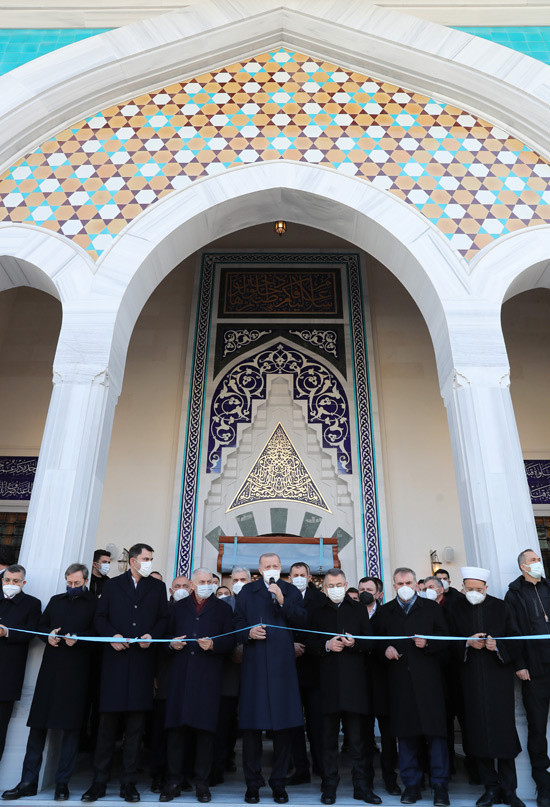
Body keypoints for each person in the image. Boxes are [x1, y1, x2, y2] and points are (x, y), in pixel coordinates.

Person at [81, 543, 169, 804]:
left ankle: (128, 783)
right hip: (115, 663)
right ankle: (98, 782)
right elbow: (100, 616)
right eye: (145, 558)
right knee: (107, 728)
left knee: (135, 729)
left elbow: (164, 618)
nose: (149, 562)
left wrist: (152, 636)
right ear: (132, 560)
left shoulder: (157, 587)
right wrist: (111, 636)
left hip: (142, 664)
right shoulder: (112, 585)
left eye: (151, 558)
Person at [2, 564, 96, 803]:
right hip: (50, 669)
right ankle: (28, 781)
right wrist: (49, 635)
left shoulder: (94, 603)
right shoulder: (56, 600)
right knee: (38, 728)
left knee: (70, 730)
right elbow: (41, 626)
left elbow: (98, 632)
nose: (72, 587)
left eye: (77, 583)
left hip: (76, 672)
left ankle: (62, 783)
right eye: (69, 583)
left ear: (85, 581)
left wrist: (80, 641)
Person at [234, 552, 307, 804]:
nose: (272, 569)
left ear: (281, 568)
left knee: (284, 727)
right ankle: (252, 784)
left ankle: (278, 783)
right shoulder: (247, 591)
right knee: (252, 729)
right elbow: (237, 623)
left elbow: (301, 619)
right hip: (254, 666)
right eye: (267, 566)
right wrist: (248, 633)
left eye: (276, 565)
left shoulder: (289, 590)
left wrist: (282, 599)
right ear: (259, 569)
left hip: (282, 667)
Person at [448, 566, 524, 807]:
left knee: (503, 734)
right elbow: (447, 642)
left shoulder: (501, 607)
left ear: (486, 589)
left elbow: (516, 638)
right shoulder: (454, 608)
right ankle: (490, 788)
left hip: (497, 680)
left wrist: (496, 646)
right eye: (469, 589)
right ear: (463, 587)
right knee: (477, 733)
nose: (473, 593)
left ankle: (509, 790)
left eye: (478, 589)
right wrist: (467, 645)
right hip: (469, 680)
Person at [375, 567, 450, 807]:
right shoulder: (386, 612)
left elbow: (446, 639)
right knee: (406, 737)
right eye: (399, 583)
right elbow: (375, 642)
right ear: (394, 586)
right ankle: (412, 785)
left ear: (416, 584)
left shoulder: (430, 608)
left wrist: (428, 644)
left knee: (436, 736)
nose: (404, 586)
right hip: (400, 683)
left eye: (408, 581)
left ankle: (440, 786)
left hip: (429, 682)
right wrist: (384, 649)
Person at [160, 567, 234, 803]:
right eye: (201, 581)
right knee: (176, 732)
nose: (206, 585)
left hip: (207, 679)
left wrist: (213, 645)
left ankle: (202, 782)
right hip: (181, 677)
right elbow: (165, 638)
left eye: (209, 582)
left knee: (205, 733)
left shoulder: (223, 609)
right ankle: (173, 781)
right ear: (192, 584)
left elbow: (230, 640)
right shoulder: (178, 608)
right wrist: (172, 645)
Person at [307, 568, 380, 806]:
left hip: (354, 685)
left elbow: (370, 643)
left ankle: (362, 787)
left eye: (339, 584)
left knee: (358, 742)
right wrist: (326, 645)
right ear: (324, 587)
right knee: (328, 742)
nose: (335, 589)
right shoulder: (316, 610)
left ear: (346, 584)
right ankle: (329, 786)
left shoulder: (359, 609)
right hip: (326, 686)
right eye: (331, 585)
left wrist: (355, 643)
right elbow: (309, 644)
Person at [505, 548, 550, 807]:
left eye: (538, 560)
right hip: (534, 670)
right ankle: (543, 785)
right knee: (536, 727)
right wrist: (520, 664)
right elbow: (512, 631)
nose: (537, 563)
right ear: (523, 566)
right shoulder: (514, 594)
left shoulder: (548, 587)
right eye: (533, 560)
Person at [150, 575, 193, 794]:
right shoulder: (163, 610)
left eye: (186, 586)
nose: (182, 589)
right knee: (160, 732)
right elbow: (155, 645)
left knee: (183, 731)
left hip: (187, 681)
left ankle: (181, 774)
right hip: (165, 678)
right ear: (170, 590)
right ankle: (158, 775)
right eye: (178, 586)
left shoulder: (194, 610)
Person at [358, 576, 400, 795]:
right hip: (359, 684)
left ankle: (390, 779)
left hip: (383, 682)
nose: (365, 592)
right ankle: (366, 781)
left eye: (369, 589)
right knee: (363, 738)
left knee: (387, 736)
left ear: (379, 594)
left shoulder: (388, 614)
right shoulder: (351, 614)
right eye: (361, 588)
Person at [211, 566, 251, 785]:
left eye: (242, 579)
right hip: (228, 672)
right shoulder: (223, 604)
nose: (238, 582)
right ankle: (220, 764)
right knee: (224, 721)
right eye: (234, 579)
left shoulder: (257, 600)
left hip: (253, 671)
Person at [288, 562, 326, 785]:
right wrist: (289, 646)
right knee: (293, 723)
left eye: (303, 574)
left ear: (309, 576)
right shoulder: (283, 597)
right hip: (290, 669)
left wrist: (307, 647)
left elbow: (322, 630)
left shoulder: (320, 600)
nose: (299, 577)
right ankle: (300, 768)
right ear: (290, 577)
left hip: (315, 669)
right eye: (296, 575)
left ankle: (321, 767)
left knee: (317, 723)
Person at [0, 564, 41, 765]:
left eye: (15, 581)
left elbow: (32, 632)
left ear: (23, 583)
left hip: (7, 675)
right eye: (7, 580)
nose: (10, 584)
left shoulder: (32, 604)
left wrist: (7, 632)